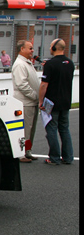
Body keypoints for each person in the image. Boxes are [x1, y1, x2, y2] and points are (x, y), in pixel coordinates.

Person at [38, 38, 75, 166]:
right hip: (65, 101)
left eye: (50, 45)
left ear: (54, 48)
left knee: (52, 129)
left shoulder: (50, 64)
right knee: (65, 129)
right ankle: (68, 157)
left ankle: (54, 157)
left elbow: (44, 85)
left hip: (51, 102)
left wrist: (40, 101)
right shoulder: (70, 63)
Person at [11, 41, 39, 162]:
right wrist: (35, 96)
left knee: (31, 129)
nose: (32, 50)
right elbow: (22, 84)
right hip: (25, 102)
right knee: (25, 130)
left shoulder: (27, 63)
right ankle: (21, 154)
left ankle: (28, 151)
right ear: (22, 49)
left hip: (32, 102)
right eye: (30, 48)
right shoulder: (19, 64)